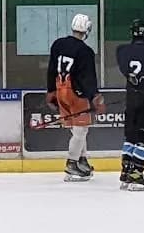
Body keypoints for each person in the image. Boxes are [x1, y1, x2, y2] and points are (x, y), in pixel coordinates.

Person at [45, 13, 105, 182]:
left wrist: (51, 91)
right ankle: (72, 164)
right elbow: (88, 78)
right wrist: (94, 97)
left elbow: (51, 69)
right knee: (81, 129)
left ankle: (81, 160)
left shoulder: (58, 44)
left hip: (60, 90)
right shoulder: (86, 51)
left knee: (76, 129)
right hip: (76, 94)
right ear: (87, 29)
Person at [116, 19, 144, 191]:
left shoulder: (122, 50)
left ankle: (126, 171)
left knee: (130, 136)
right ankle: (137, 174)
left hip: (131, 98)